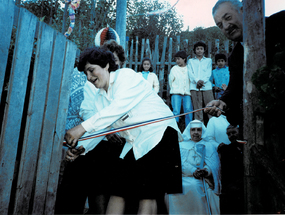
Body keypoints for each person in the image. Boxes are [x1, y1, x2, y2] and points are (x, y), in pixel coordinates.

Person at [64, 47, 183, 215]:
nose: (89, 78)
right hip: (135, 142)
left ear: (106, 65)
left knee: (147, 195)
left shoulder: (125, 76)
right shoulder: (100, 98)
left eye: (91, 70)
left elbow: (117, 108)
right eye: (86, 74)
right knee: (117, 190)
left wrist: (81, 128)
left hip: (159, 135)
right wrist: (81, 149)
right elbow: (102, 128)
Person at [55, 28, 126, 214]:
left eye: (114, 61)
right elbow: (86, 111)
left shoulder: (123, 82)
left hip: (104, 143)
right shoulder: (85, 77)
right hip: (84, 139)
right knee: (75, 191)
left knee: (101, 190)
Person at [205, 0, 285, 127]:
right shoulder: (235, 57)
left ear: (244, 10)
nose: (226, 26)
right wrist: (222, 102)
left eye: (228, 18)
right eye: (220, 25)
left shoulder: (280, 23)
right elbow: (234, 89)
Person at [168, 119, 221, 214]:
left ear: (202, 131)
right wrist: (193, 170)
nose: (196, 132)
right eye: (193, 130)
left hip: (203, 179)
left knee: (195, 186)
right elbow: (180, 163)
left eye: (199, 130)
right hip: (183, 177)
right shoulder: (181, 145)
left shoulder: (208, 145)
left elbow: (214, 165)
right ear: (189, 131)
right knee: (173, 192)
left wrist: (206, 171)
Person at [217, 125, 244, 214]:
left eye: (234, 132)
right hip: (231, 187)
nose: (231, 135)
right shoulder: (226, 149)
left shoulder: (244, 146)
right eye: (229, 134)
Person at [187, 41, 214, 123]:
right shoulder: (191, 61)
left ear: (204, 50)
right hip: (194, 87)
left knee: (210, 106)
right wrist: (197, 81)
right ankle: (199, 126)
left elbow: (208, 73)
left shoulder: (208, 60)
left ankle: (212, 125)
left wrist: (203, 81)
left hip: (206, 86)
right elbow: (190, 73)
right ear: (194, 50)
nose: (199, 50)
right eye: (197, 49)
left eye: (201, 49)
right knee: (197, 108)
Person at [169, 50, 193, 127]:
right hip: (176, 93)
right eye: (176, 59)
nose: (177, 61)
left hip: (187, 93)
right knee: (176, 111)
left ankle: (188, 129)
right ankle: (175, 130)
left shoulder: (189, 68)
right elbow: (171, 81)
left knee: (188, 111)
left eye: (179, 59)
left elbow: (191, 80)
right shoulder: (174, 69)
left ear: (184, 59)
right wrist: (175, 89)